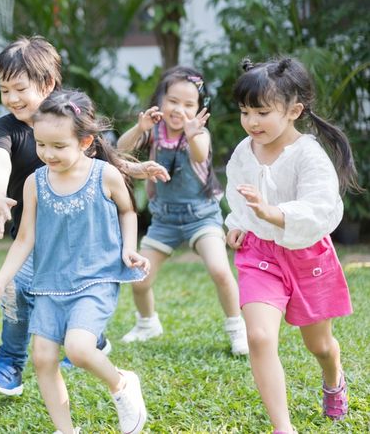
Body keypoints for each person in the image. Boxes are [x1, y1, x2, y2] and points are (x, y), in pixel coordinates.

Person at [0, 36, 168, 396]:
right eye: (4, 90)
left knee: (79, 292)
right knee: (16, 292)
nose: (12, 98)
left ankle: (90, 339)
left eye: (20, 88)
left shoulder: (70, 120)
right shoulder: (4, 129)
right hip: (36, 238)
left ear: (48, 85)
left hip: (84, 240)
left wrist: (136, 168)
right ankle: (9, 364)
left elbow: (104, 160)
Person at [0, 89, 150, 434]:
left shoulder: (105, 175)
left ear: (85, 141)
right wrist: (0, 280)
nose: (47, 154)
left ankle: (123, 384)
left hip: (95, 278)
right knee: (43, 359)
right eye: (41, 145)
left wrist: (129, 248)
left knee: (80, 349)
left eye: (58, 146)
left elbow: (128, 211)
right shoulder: (35, 184)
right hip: (49, 283)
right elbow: (25, 239)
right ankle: (65, 431)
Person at [226, 57, 358, 433]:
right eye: (244, 112)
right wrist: (237, 223)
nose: (252, 122)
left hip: (306, 255)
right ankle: (283, 428)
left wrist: (274, 213)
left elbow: (319, 208)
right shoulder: (244, 150)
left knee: (319, 345)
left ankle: (333, 375)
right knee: (259, 335)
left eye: (262, 112)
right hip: (259, 254)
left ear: (294, 111)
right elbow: (240, 196)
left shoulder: (309, 155)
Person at [116, 66, 248, 355]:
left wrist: (191, 134)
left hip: (201, 216)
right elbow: (120, 149)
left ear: (200, 108)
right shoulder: (154, 133)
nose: (179, 109)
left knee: (220, 270)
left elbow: (200, 153)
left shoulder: (200, 135)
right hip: (164, 219)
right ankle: (147, 323)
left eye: (189, 104)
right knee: (140, 278)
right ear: (161, 100)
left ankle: (237, 328)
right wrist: (140, 128)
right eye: (173, 101)